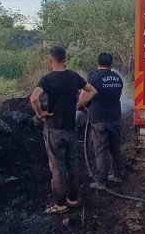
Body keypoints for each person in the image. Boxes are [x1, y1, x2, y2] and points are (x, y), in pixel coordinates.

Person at [30, 45, 96, 212]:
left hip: (53, 129)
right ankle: (73, 199)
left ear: (50, 60)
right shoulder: (74, 76)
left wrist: (40, 113)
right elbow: (92, 90)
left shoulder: (47, 79)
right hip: (71, 129)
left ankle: (59, 204)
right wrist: (80, 104)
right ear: (65, 59)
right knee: (73, 164)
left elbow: (34, 98)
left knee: (58, 167)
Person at [80, 52, 124, 187]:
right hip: (115, 118)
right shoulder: (117, 78)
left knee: (101, 149)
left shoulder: (93, 78)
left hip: (99, 119)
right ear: (111, 64)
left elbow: (83, 97)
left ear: (97, 63)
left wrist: (81, 105)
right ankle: (117, 175)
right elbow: (118, 94)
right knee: (115, 148)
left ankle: (101, 180)